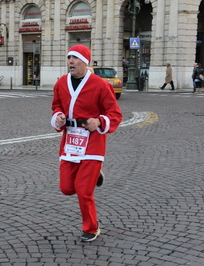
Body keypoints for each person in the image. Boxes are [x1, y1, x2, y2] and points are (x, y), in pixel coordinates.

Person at [51, 44, 122, 242]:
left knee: (83, 190)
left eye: (75, 58)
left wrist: (99, 121)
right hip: (70, 140)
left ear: (85, 62)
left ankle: (91, 228)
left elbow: (115, 114)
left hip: (92, 142)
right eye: (69, 58)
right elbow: (56, 105)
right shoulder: (61, 83)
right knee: (66, 188)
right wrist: (57, 116)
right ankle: (94, 174)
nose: (71, 62)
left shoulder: (101, 85)